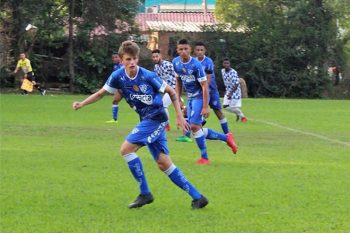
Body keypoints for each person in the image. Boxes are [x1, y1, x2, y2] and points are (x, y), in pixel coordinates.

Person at [72, 41, 208, 209]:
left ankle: (145, 193)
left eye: (135, 59)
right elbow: (101, 94)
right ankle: (198, 197)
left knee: (126, 150)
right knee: (164, 163)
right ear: (121, 60)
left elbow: (172, 92)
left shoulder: (148, 76)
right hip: (146, 120)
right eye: (128, 59)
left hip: (156, 118)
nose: (132, 63)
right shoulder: (118, 77)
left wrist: (179, 116)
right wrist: (82, 104)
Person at [173, 39, 238, 165]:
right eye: (180, 49)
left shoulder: (196, 65)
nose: (183, 52)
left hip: (199, 97)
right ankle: (226, 138)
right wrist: (179, 100)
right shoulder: (175, 63)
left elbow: (204, 86)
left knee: (194, 127)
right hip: (190, 98)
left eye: (186, 49)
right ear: (177, 50)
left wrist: (205, 106)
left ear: (190, 50)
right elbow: (178, 82)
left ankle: (205, 158)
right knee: (197, 129)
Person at [194, 42, 230, 133]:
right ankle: (196, 130)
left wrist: (204, 89)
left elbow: (208, 79)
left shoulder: (208, 61)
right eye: (198, 50)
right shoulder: (193, 62)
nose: (200, 52)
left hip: (211, 90)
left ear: (204, 51)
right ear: (195, 51)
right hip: (199, 91)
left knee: (218, 111)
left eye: (202, 50)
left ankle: (228, 134)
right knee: (197, 111)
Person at [151, 49, 177, 131]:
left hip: (173, 89)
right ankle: (199, 120)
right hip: (166, 91)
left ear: (160, 56)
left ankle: (166, 125)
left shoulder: (168, 64)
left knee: (163, 105)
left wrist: (177, 89)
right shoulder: (156, 67)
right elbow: (157, 79)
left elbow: (177, 76)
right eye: (153, 57)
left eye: (156, 56)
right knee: (182, 107)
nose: (155, 58)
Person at [221, 58, 247, 123]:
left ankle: (242, 116)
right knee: (225, 106)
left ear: (229, 64)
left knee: (231, 107)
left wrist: (231, 93)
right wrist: (227, 91)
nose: (226, 64)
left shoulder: (233, 72)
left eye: (227, 63)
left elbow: (236, 83)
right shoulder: (222, 71)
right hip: (228, 91)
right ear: (223, 64)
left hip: (235, 92)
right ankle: (238, 114)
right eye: (225, 63)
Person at [106, 53, 123, 123]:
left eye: (116, 57)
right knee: (115, 101)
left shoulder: (122, 66)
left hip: (127, 88)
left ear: (120, 58)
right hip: (120, 88)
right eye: (113, 58)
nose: (114, 59)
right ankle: (114, 119)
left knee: (134, 104)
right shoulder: (115, 66)